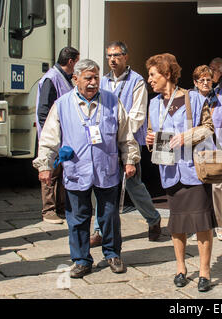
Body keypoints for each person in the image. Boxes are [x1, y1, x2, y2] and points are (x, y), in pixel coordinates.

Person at [33, 59, 140, 278]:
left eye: (96, 78)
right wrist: (44, 165)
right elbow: (49, 139)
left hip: (106, 168)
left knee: (109, 215)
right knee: (78, 217)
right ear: (75, 79)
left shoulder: (112, 101)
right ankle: (81, 260)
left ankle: (112, 253)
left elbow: (126, 136)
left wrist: (130, 159)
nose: (93, 82)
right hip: (76, 169)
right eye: (88, 78)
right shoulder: (62, 104)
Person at [145, 53, 216, 292]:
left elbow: (208, 128)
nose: (149, 79)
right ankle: (181, 268)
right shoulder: (153, 104)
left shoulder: (193, 99)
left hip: (193, 171)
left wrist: (186, 137)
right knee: (177, 224)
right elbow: (152, 133)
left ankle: (205, 272)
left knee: (201, 223)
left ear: (167, 74)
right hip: (169, 171)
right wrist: (149, 139)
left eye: (153, 75)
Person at [90, 41, 161, 247]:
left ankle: (154, 219)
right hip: (105, 143)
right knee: (102, 184)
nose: (112, 59)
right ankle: (99, 229)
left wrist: (120, 134)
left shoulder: (137, 81)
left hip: (128, 140)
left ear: (126, 57)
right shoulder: (102, 81)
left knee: (133, 185)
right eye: (109, 56)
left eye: (117, 55)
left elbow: (137, 115)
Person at [36, 47, 80, 224]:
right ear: (70, 62)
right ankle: (48, 210)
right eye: (77, 61)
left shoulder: (65, 78)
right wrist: (51, 134)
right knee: (51, 173)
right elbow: (43, 111)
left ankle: (61, 207)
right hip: (54, 136)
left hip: (65, 136)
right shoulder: (51, 78)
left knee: (62, 173)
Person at [192, 65, 222, 242]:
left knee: (216, 191)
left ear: (213, 81)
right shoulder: (189, 100)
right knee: (197, 191)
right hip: (195, 151)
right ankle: (199, 227)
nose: (205, 83)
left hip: (215, 152)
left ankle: (218, 224)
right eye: (201, 80)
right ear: (195, 82)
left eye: (208, 79)